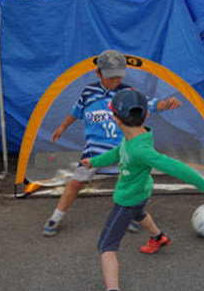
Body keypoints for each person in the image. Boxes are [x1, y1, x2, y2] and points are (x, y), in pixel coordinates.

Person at [81, 88, 204, 291]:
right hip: (139, 194)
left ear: (115, 119)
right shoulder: (136, 138)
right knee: (139, 213)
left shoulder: (141, 149)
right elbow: (119, 153)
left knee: (106, 246)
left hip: (126, 200)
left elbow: (173, 166)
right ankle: (158, 237)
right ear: (146, 116)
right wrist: (95, 161)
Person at [42, 49, 180, 237]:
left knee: (133, 184)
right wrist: (62, 127)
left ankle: (135, 215)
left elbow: (150, 104)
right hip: (94, 151)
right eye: (110, 77)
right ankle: (55, 217)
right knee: (76, 183)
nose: (115, 81)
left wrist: (166, 104)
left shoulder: (127, 93)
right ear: (98, 73)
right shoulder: (89, 92)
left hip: (122, 149)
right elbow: (76, 111)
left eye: (118, 77)